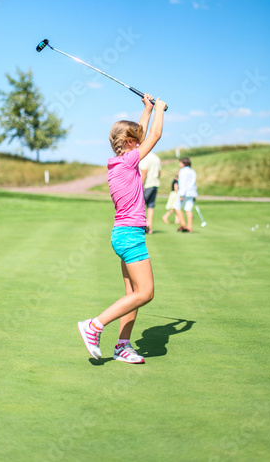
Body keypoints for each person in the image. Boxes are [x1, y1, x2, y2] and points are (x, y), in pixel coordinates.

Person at [78, 94, 167, 364]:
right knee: (145, 293)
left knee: (132, 295)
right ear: (128, 143)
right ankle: (94, 325)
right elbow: (155, 135)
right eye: (135, 141)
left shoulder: (120, 162)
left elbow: (140, 133)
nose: (140, 144)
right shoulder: (129, 161)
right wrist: (161, 110)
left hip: (124, 234)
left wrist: (147, 108)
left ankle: (122, 346)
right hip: (129, 235)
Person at [139, 151, 161, 234]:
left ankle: (143, 226)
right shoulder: (156, 158)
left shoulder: (145, 157)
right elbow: (159, 172)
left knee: (141, 206)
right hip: (155, 184)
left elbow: (144, 171)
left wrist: (141, 185)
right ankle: (150, 227)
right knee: (150, 206)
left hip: (147, 185)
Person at [174, 157, 198, 233]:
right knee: (188, 209)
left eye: (180, 162)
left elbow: (182, 183)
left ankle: (183, 224)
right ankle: (189, 227)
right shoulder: (192, 171)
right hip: (191, 193)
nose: (179, 164)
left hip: (183, 192)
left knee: (176, 207)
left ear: (183, 163)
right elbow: (194, 183)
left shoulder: (182, 171)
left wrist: (181, 194)